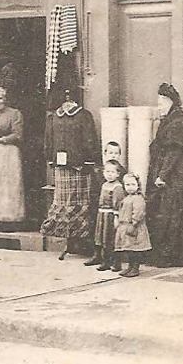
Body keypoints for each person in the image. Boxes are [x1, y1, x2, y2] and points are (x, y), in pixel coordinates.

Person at [41, 90, 100, 259]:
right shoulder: (79, 116)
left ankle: (76, 242)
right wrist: (90, 160)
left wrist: (52, 160)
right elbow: (90, 141)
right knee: (74, 203)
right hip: (74, 168)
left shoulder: (57, 117)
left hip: (70, 168)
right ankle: (76, 242)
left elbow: (48, 144)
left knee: (70, 203)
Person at [146, 82, 183, 267]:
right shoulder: (171, 120)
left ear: (170, 102)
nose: (159, 106)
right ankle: (170, 255)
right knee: (169, 214)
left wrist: (162, 176)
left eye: (161, 102)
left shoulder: (178, 123)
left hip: (176, 177)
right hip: (172, 176)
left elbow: (173, 153)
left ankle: (173, 256)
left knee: (173, 214)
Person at [0, 84, 25, 226]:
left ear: (5, 98)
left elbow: (18, 135)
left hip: (9, 153)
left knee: (9, 186)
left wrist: (0, 139)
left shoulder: (14, 113)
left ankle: (11, 220)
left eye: (0, 98)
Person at [86, 160, 125, 271]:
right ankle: (104, 260)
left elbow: (118, 204)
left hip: (110, 216)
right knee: (101, 238)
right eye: (107, 171)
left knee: (110, 239)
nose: (109, 174)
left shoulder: (117, 187)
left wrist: (117, 217)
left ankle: (114, 263)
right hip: (102, 215)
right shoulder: (104, 185)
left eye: (112, 172)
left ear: (118, 174)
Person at [114, 171, 152, 277]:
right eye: (127, 185)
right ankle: (130, 267)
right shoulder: (127, 198)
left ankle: (135, 268)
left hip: (134, 227)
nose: (130, 187)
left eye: (133, 184)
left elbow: (139, 213)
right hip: (125, 226)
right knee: (129, 248)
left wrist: (133, 223)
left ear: (138, 185)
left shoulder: (138, 198)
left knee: (136, 249)